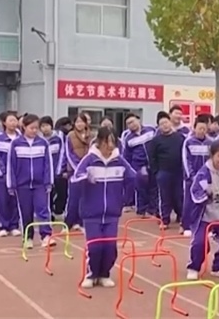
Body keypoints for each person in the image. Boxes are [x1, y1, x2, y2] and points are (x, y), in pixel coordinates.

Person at [73, 127, 137, 289]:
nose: (110, 146)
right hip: (92, 212)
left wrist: (124, 200)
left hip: (112, 212)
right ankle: (91, 274)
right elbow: (75, 177)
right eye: (107, 141)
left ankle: (104, 274)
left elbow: (132, 177)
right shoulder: (89, 159)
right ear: (99, 141)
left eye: (113, 142)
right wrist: (86, 177)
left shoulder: (119, 161)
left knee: (109, 247)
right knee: (95, 246)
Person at [185, 141, 219, 280]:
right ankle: (193, 267)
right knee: (200, 243)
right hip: (205, 215)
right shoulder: (203, 173)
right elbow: (195, 191)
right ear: (212, 156)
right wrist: (206, 196)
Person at [7, 114, 57, 249]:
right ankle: (27, 237)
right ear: (24, 127)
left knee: (43, 209)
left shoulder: (43, 143)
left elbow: (48, 164)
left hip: (40, 184)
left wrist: (48, 182)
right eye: (31, 128)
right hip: (22, 185)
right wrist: (11, 184)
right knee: (26, 212)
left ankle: (46, 236)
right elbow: (11, 165)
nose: (34, 130)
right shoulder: (15, 144)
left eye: (36, 128)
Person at [148, 112, 186, 229]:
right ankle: (164, 220)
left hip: (178, 172)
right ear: (159, 127)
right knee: (164, 197)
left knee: (179, 196)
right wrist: (156, 172)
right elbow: (152, 157)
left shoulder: (180, 137)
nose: (164, 125)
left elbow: (184, 154)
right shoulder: (156, 140)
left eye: (166, 122)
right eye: (161, 124)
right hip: (163, 172)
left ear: (170, 123)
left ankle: (182, 217)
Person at [0, 111, 21, 237]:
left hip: (17, 176)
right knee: (2, 200)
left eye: (15, 120)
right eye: (10, 120)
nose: (13, 123)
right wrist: (3, 172)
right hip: (2, 177)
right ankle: (3, 225)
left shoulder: (20, 137)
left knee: (15, 201)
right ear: (4, 123)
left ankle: (14, 225)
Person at [181, 113, 213, 236]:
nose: (202, 131)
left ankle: (206, 227)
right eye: (199, 128)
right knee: (189, 202)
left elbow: (212, 160)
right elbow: (186, 160)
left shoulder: (210, 143)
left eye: (204, 129)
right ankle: (187, 226)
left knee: (206, 203)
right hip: (192, 179)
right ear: (194, 128)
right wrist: (192, 176)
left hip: (206, 179)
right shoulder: (188, 142)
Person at [121, 114, 156, 219]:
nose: (131, 125)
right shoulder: (128, 138)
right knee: (141, 188)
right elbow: (127, 156)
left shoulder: (151, 130)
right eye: (128, 124)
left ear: (138, 120)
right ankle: (142, 210)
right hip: (138, 166)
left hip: (153, 163)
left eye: (132, 121)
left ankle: (152, 210)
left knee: (154, 187)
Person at [64, 114, 92, 232]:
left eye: (82, 122)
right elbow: (68, 153)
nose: (79, 124)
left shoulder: (91, 135)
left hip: (88, 171)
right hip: (74, 171)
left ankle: (80, 222)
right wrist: (78, 169)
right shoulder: (70, 136)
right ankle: (68, 223)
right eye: (77, 122)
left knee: (85, 198)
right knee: (73, 198)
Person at [40, 116, 66, 220]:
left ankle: (59, 211)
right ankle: (49, 213)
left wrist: (60, 169)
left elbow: (63, 152)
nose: (45, 128)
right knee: (48, 193)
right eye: (42, 126)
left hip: (59, 170)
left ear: (51, 126)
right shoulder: (40, 140)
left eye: (47, 125)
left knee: (62, 192)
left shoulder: (59, 137)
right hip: (46, 172)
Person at [50, 117, 72, 219]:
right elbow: (63, 152)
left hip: (59, 169)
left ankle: (57, 210)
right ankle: (56, 210)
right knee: (59, 191)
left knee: (60, 191)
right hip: (57, 170)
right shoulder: (60, 135)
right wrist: (61, 169)